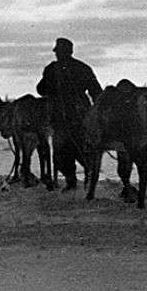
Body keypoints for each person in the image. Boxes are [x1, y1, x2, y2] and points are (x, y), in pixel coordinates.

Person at [36, 38, 101, 192]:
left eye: (59, 51)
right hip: (74, 116)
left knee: (66, 151)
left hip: (68, 117)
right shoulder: (82, 68)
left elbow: (41, 89)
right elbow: (96, 93)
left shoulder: (52, 69)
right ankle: (80, 180)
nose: (57, 54)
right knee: (72, 150)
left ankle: (77, 181)